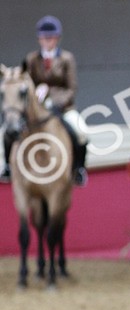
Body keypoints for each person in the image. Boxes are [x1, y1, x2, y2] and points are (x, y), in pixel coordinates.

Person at [1, 16, 89, 186]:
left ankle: (79, 169)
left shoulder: (66, 59)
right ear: (39, 39)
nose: (47, 41)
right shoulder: (32, 59)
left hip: (62, 107)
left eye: (51, 37)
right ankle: (7, 168)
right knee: (7, 131)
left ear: (57, 38)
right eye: (44, 37)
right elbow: (25, 84)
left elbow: (72, 88)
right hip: (37, 108)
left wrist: (54, 99)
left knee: (81, 131)